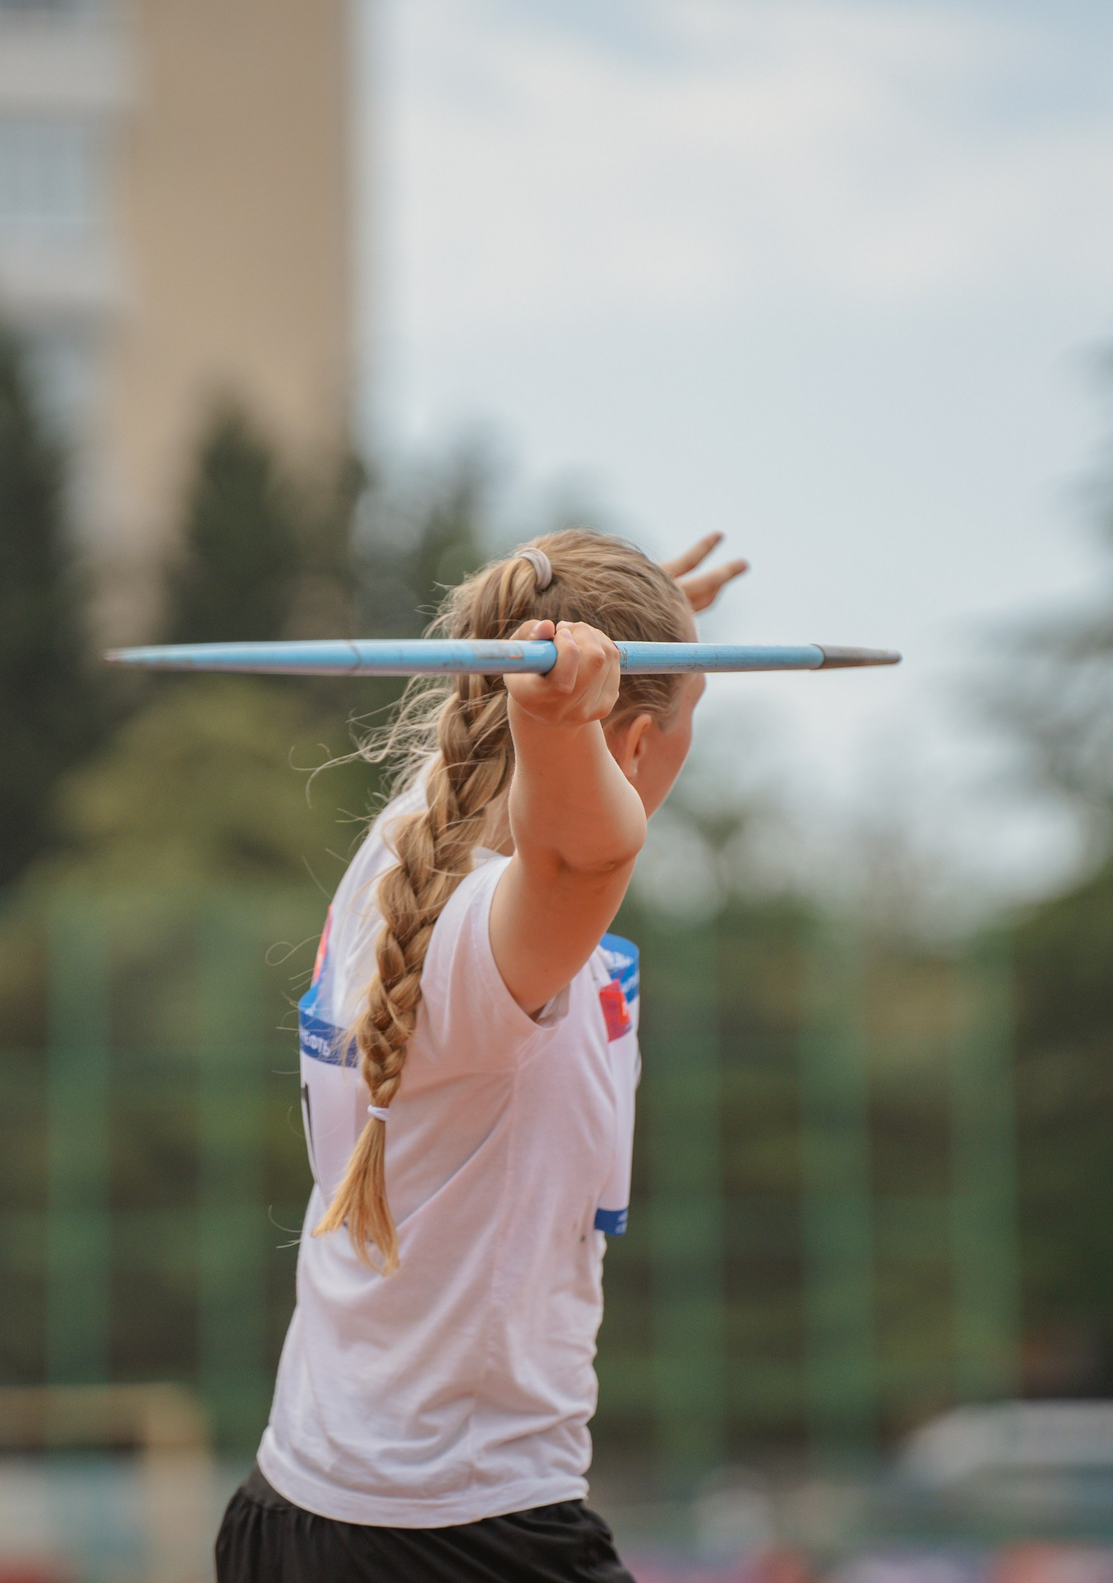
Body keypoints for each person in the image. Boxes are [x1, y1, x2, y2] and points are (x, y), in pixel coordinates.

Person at [215, 529, 746, 1583]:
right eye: (688, 724)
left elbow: (525, 757)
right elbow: (588, 845)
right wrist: (575, 718)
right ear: (630, 747)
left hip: (303, 1508)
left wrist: (653, 628)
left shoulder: (415, 838)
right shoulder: (485, 945)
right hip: (454, 1539)